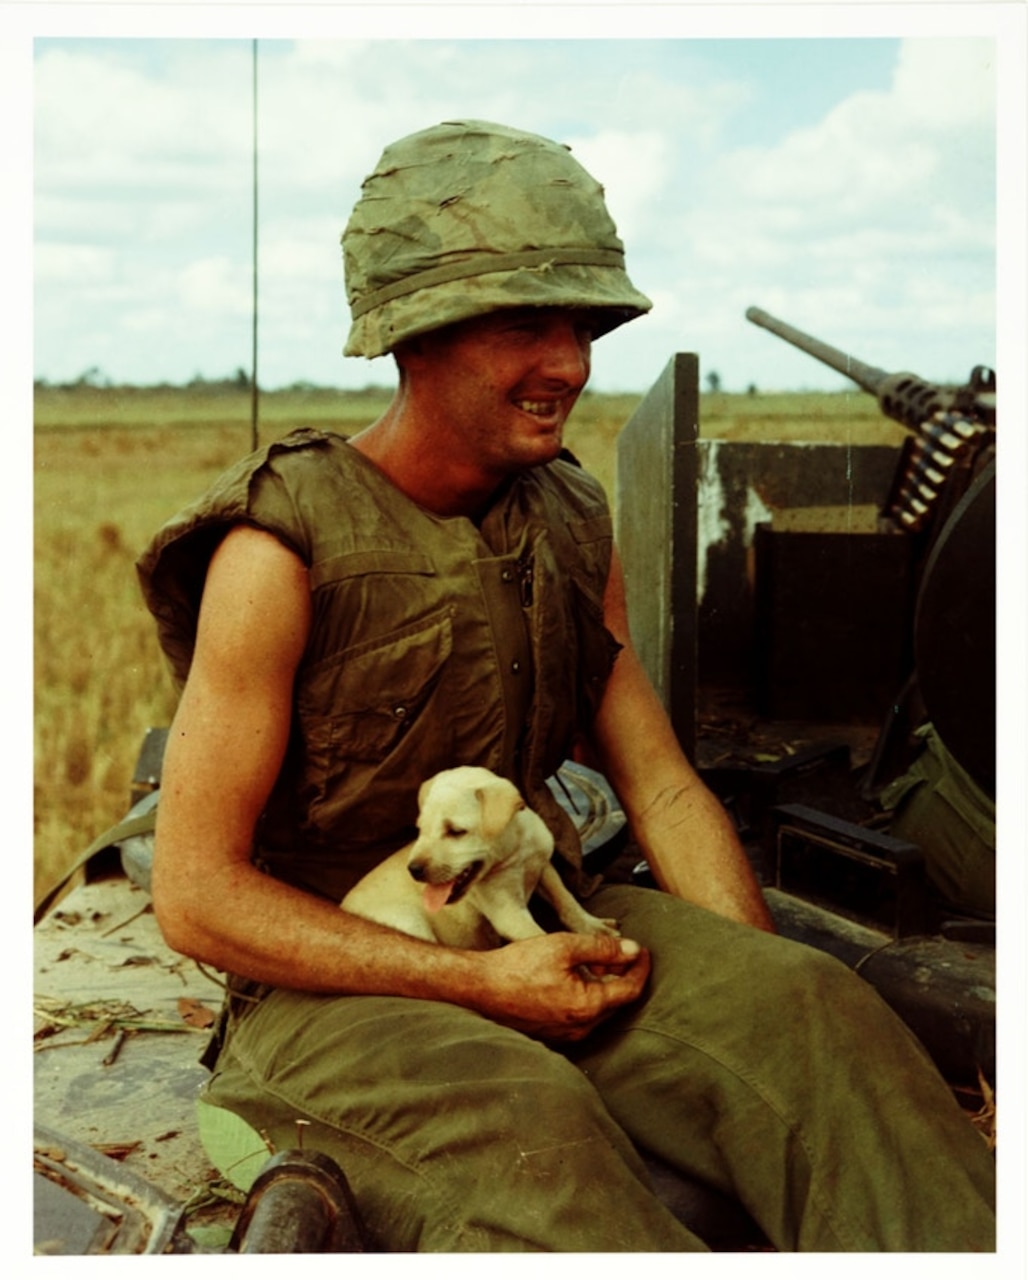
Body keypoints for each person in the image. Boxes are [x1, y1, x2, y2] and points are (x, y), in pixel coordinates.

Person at [137, 119, 995, 1251]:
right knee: (533, 1130)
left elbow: (659, 782)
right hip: (329, 993)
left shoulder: (570, 519)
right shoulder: (279, 548)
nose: (572, 365)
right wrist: (487, 987)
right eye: (525, 324)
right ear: (415, 334)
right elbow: (196, 892)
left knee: (810, 1011)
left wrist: (752, 969)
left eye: (582, 325)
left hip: (530, 919)